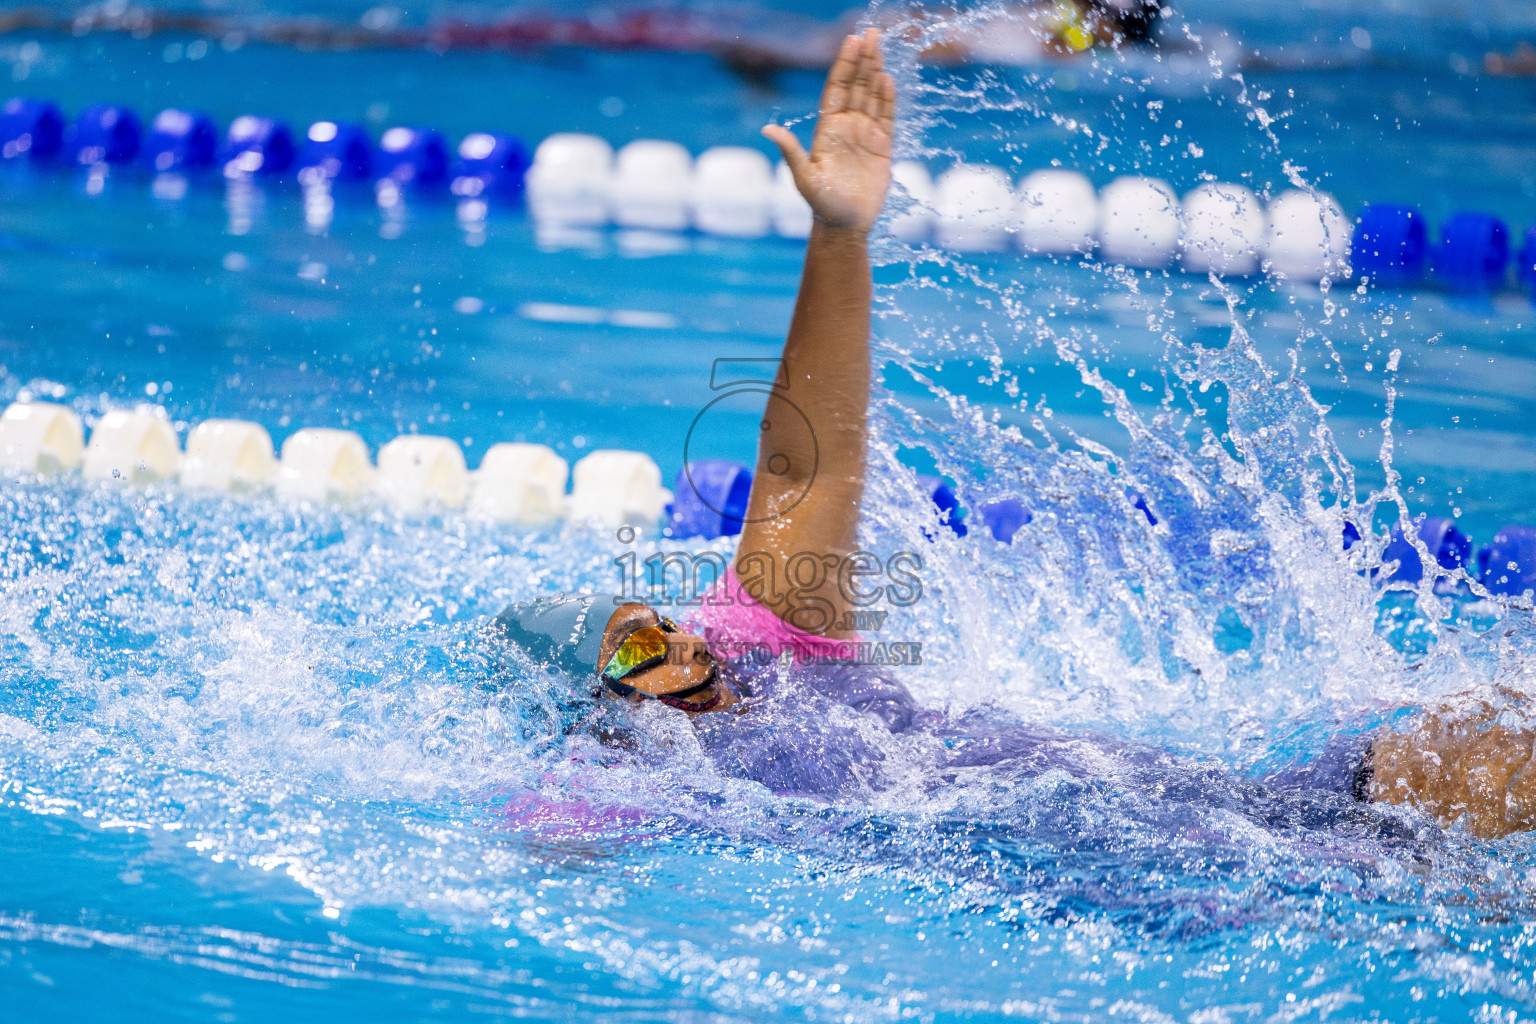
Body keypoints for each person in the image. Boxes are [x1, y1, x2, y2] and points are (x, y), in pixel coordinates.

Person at [494, 28, 1535, 841]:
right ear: (604, 706)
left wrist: (841, 232)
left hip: (1190, 800)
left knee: (1481, 737)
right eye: (638, 644)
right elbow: (554, 849)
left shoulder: (767, 642)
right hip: (1121, 873)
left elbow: (804, 457)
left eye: (659, 620)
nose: (678, 639)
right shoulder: (636, 773)